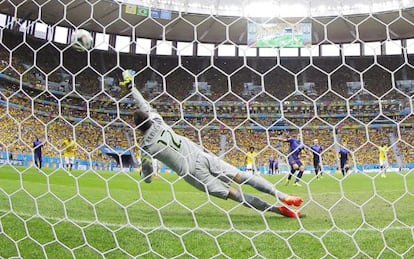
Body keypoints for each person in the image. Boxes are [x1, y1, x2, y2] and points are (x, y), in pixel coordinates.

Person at [120, 70, 302, 218]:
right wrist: (131, 87)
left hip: (192, 172)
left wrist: (146, 176)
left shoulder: (145, 147)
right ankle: (283, 196)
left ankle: (277, 210)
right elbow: (143, 104)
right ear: (149, 119)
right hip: (201, 156)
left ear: (138, 129)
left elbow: (148, 176)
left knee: (234, 194)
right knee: (242, 176)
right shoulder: (157, 120)